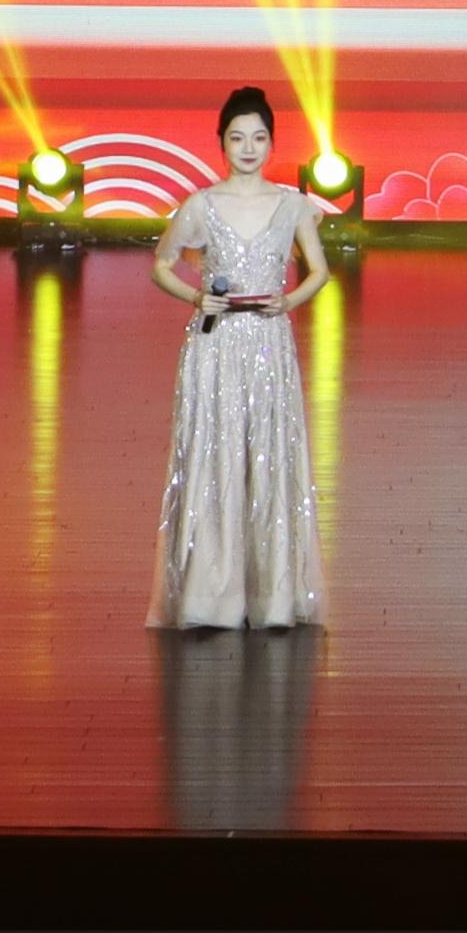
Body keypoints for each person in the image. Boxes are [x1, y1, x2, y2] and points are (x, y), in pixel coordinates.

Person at [145, 83, 331, 631]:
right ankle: (209, 598)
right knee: (216, 456)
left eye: (258, 137)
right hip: (216, 344)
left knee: (270, 458)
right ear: (221, 142)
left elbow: (319, 270)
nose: (248, 148)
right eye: (237, 137)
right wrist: (196, 297)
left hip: (270, 344)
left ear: (272, 143)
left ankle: (274, 597)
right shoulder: (201, 206)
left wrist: (288, 301)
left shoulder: (292, 204)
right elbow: (162, 264)